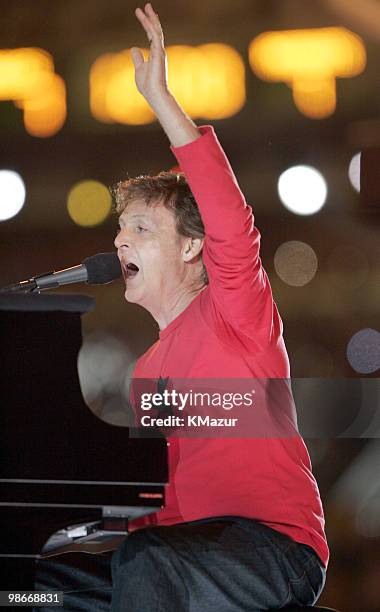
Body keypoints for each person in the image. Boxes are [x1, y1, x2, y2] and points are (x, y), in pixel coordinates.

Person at [110, 3, 329, 611]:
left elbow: (233, 224)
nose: (121, 241)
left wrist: (161, 101)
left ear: (190, 246)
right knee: (43, 587)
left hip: (275, 551)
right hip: (190, 555)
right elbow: (170, 504)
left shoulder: (235, 309)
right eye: (120, 230)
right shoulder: (146, 373)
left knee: (144, 564)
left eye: (141, 229)